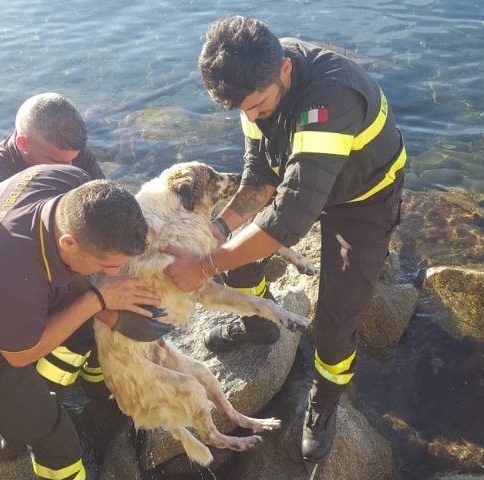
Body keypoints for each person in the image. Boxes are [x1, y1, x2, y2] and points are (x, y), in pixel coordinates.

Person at [164, 16, 406, 463]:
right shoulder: (253, 82)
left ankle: (325, 401)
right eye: (243, 111)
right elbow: (259, 182)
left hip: (363, 198)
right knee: (231, 243)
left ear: (286, 72)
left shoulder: (330, 100)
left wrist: (202, 267)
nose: (251, 117)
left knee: (336, 314)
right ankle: (258, 323)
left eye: (258, 107)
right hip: (309, 182)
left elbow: (289, 217)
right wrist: (214, 235)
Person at [0, 164, 161, 479]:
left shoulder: (70, 182)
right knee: (55, 437)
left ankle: (94, 391)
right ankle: (24, 424)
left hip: (8, 300)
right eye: (105, 265)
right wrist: (97, 299)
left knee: (89, 324)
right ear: (69, 243)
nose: (112, 273)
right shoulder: (11, 279)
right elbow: (20, 355)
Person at [0, 93, 109, 460]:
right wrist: (92, 297)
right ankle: (45, 397)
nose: (69, 171)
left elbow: (104, 206)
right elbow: (8, 264)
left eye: (73, 163)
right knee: (84, 322)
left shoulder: (70, 153)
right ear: (23, 143)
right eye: (56, 164)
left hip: (59, 260)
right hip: (15, 284)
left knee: (101, 312)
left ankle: (97, 381)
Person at [0, 92, 104, 200]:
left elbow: (103, 195)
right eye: (56, 162)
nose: (70, 168)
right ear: (23, 143)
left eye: (74, 158)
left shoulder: (68, 150)